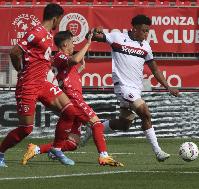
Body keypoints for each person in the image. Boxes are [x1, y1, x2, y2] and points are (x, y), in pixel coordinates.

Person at [84, 14, 180, 162]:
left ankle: (94, 128)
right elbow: (89, 37)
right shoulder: (117, 37)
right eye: (144, 30)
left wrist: (168, 86)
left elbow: (155, 70)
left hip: (135, 89)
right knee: (145, 113)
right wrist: (94, 31)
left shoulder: (146, 47)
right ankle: (158, 151)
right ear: (135, 29)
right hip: (122, 87)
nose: (147, 34)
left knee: (124, 124)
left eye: (148, 31)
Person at [21, 30, 123, 167]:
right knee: (97, 124)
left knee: (72, 143)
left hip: (72, 97)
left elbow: (68, 72)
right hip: (72, 98)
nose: (74, 45)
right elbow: (74, 59)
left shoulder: (61, 59)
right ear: (65, 44)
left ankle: (36, 149)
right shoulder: (59, 56)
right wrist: (88, 44)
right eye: (72, 43)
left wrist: (79, 69)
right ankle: (103, 156)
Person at [0, 3, 75, 167]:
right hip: (28, 85)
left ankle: (56, 148)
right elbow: (15, 52)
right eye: (59, 19)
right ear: (55, 18)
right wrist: (20, 69)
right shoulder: (36, 32)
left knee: (70, 111)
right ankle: (0, 153)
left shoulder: (47, 35)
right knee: (25, 129)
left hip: (43, 83)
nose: (59, 23)